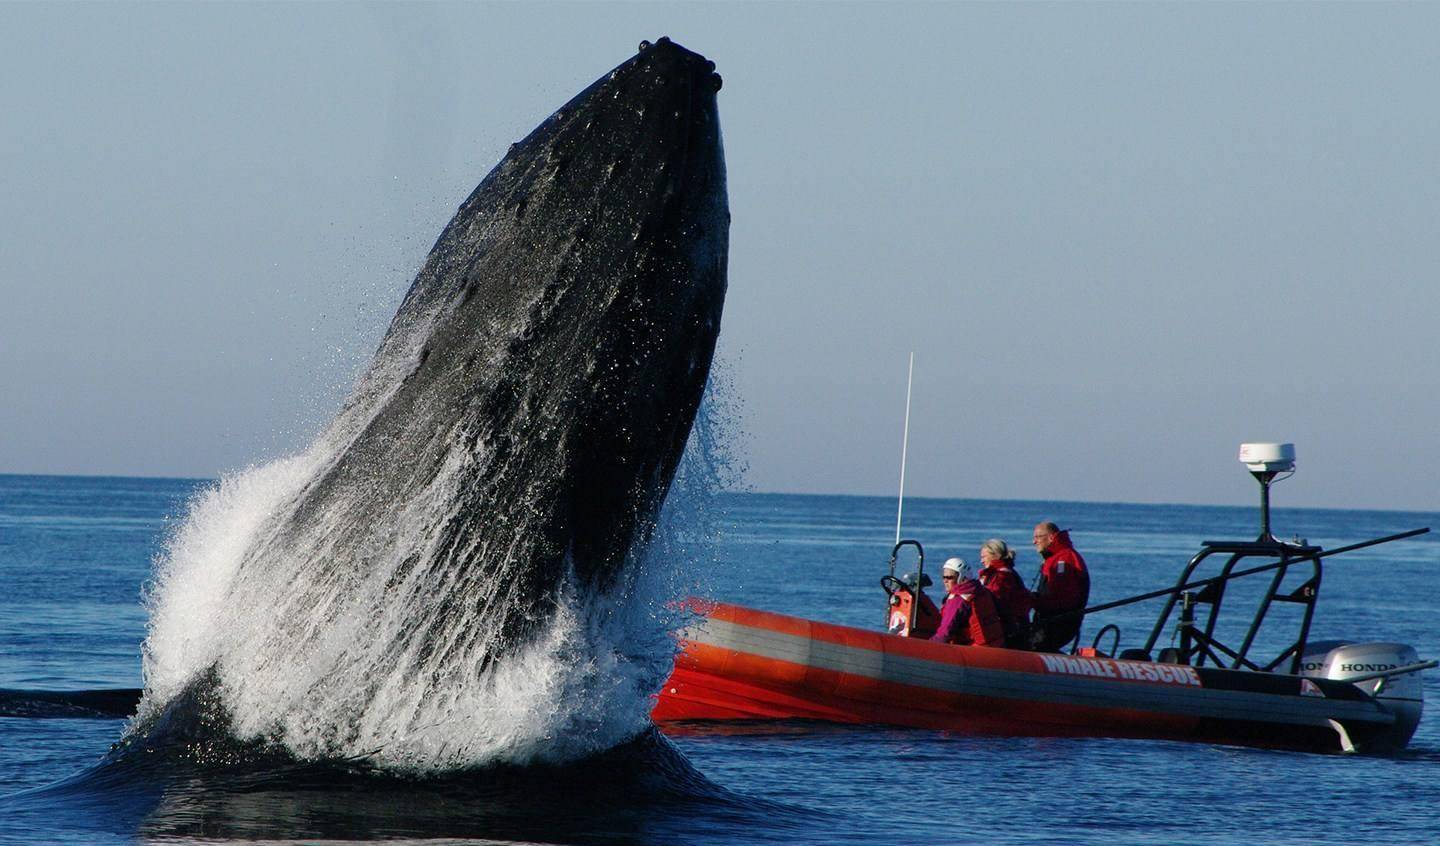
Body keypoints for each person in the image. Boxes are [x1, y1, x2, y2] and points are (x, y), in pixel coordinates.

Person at [1029, 521, 1090, 652]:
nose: (1034, 542)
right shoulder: (1055, 558)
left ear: (1051, 537)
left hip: (1057, 624)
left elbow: (1062, 599)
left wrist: (1031, 600)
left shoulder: (1064, 559)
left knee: (1033, 646)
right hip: (1049, 622)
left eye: (1038, 537)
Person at [930, 557, 1005, 647]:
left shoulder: (958, 599)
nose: (945, 581)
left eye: (949, 577)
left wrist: (927, 646)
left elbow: (945, 633)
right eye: (944, 577)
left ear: (962, 577)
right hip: (996, 645)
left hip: (974, 650)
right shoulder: (982, 591)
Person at [977, 538, 1033, 649]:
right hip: (1016, 628)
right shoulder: (1008, 573)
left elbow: (993, 601)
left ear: (995, 555)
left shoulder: (1001, 577)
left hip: (1008, 631)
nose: (981, 561)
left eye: (984, 557)